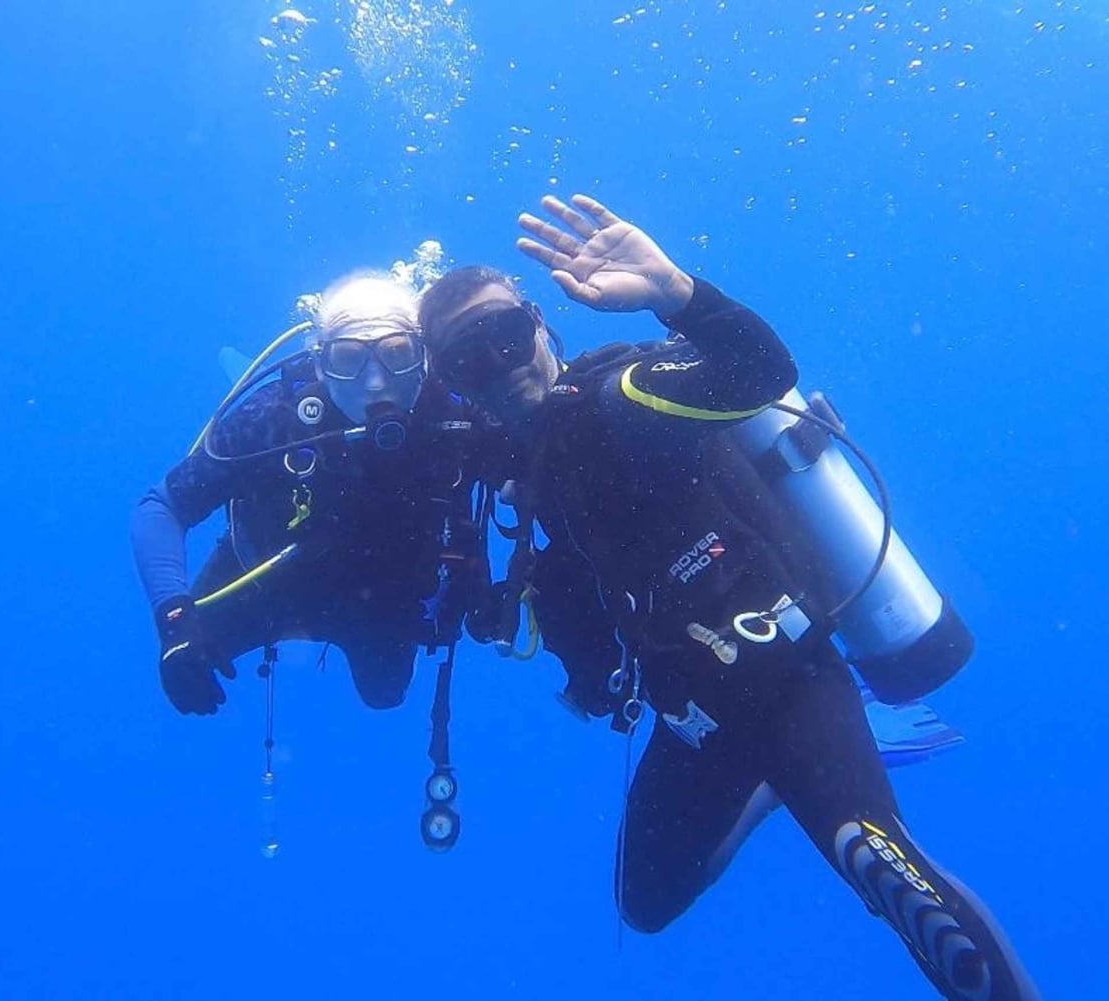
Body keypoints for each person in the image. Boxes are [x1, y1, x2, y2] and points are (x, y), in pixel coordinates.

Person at [417, 193, 1039, 1000]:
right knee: (643, 901)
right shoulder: (518, 465)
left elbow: (759, 372)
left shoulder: (626, 395)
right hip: (694, 722)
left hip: (786, 681)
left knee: (882, 866)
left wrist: (674, 291)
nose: (500, 368)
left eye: (506, 336)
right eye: (469, 361)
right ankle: (771, 783)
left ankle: (805, 778)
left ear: (540, 324)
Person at [131, 273, 493, 717]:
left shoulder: (459, 415)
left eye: (397, 352)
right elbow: (163, 506)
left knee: (385, 695)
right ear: (319, 363)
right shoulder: (271, 420)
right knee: (185, 656)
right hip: (266, 581)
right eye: (349, 358)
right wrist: (173, 616)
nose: (375, 382)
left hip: (382, 601)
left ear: (424, 357)